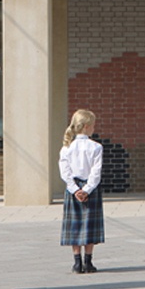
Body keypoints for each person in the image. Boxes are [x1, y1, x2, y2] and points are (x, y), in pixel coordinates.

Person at [59, 109, 104, 274]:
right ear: (86, 126)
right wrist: (87, 189)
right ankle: (88, 261)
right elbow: (95, 172)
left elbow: (65, 172)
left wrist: (75, 189)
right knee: (89, 225)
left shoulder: (66, 148)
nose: (94, 128)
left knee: (75, 225)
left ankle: (77, 262)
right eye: (93, 125)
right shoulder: (96, 147)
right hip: (90, 189)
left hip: (73, 189)